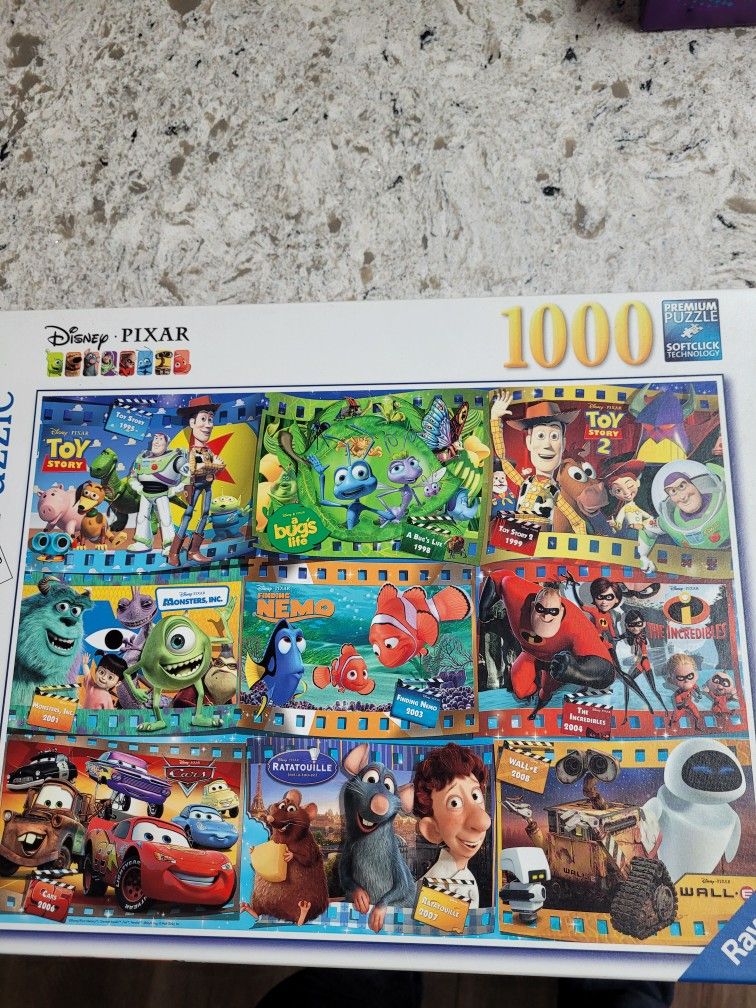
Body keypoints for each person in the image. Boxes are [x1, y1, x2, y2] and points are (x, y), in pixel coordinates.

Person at [411, 743, 491, 908]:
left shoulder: (467, 876)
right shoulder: (433, 889)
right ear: (432, 829)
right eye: (454, 802)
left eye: (476, 796)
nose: (483, 822)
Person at [168, 395, 226, 566]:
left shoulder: (207, 450)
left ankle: (194, 550)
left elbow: (215, 466)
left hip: (208, 486)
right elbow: (197, 469)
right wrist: (214, 465)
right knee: (188, 515)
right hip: (195, 486)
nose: (208, 425)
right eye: (203, 419)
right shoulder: (194, 450)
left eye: (210, 419)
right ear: (192, 423)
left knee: (205, 513)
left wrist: (215, 466)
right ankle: (173, 552)